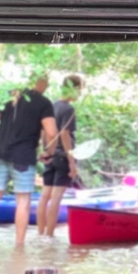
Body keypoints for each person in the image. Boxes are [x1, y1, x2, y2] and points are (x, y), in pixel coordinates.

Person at [0, 74, 58, 248]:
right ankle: (19, 245)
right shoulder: (43, 103)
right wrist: (49, 152)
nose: (47, 86)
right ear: (41, 82)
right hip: (24, 158)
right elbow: (51, 133)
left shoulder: (9, 95)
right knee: (23, 201)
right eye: (47, 83)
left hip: (1, 153)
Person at [36, 73, 84, 236]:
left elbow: (44, 131)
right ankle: (49, 235)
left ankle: (40, 234)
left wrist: (45, 151)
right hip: (62, 157)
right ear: (74, 89)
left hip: (49, 156)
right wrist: (71, 161)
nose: (80, 94)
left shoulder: (51, 105)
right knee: (56, 198)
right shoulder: (68, 109)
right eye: (80, 90)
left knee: (44, 197)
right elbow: (65, 134)